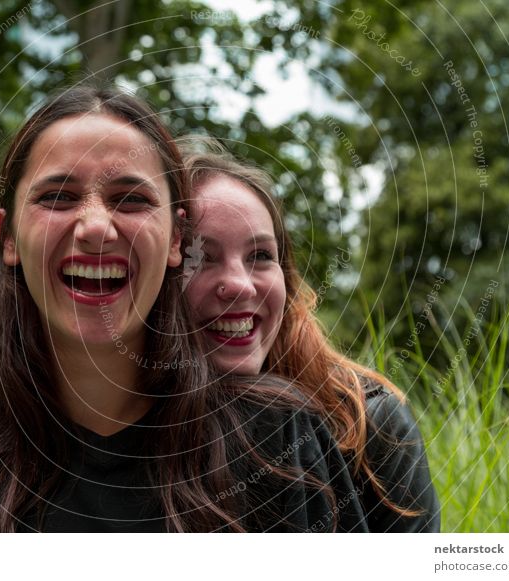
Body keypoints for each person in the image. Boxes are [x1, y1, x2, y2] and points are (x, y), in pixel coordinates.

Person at [0, 85, 373, 533]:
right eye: (58, 197)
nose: (94, 227)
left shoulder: (277, 439)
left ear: (177, 239)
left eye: (130, 199)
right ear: (8, 238)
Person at [181, 136, 441, 532]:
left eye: (261, 256)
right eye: (199, 257)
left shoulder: (369, 424)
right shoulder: (111, 429)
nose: (241, 286)